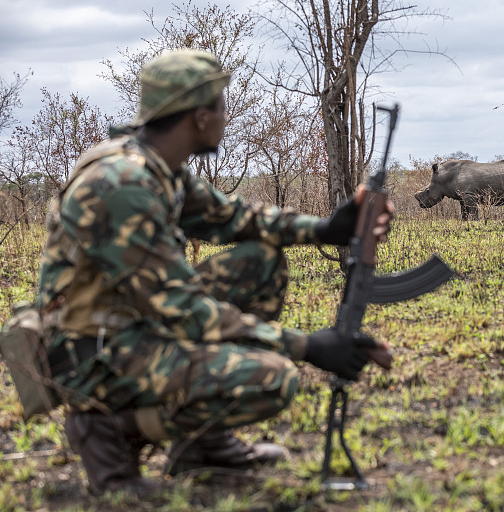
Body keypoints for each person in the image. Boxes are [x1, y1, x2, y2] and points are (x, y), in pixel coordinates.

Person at [36, 49, 392, 496]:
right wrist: (307, 346)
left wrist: (323, 229)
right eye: (222, 107)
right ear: (201, 117)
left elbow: (234, 217)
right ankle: (106, 430)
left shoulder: (158, 168)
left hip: (132, 324)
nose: (227, 117)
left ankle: (201, 446)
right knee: (273, 378)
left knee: (261, 260)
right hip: (91, 355)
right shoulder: (122, 185)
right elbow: (183, 308)